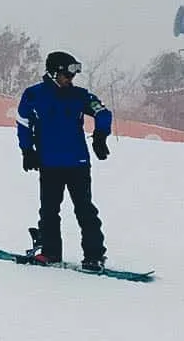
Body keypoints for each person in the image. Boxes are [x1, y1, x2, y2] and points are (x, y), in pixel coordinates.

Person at [16, 51, 113, 271]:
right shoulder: (34, 95)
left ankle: (94, 256)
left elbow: (103, 112)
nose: (71, 80)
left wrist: (101, 135)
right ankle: (50, 253)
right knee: (49, 210)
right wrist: (26, 150)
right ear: (53, 73)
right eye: (67, 75)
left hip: (77, 163)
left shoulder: (80, 96)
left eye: (73, 76)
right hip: (49, 163)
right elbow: (23, 122)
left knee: (85, 209)